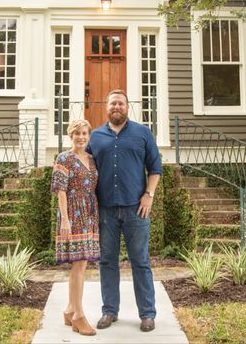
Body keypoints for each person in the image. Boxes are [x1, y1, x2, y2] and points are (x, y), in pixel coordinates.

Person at [87, 89, 162, 333]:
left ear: (127, 107)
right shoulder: (95, 137)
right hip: (105, 210)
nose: (116, 106)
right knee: (107, 261)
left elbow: (155, 168)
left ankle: (148, 314)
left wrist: (149, 195)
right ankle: (109, 310)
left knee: (140, 261)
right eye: (112, 103)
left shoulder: (142, 133)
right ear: (106, 107)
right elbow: (85, 170)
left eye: (120, 103)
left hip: (136, 209)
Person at [51, 119, 99, 336]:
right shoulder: (64, 158)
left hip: (89, 215)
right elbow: (60, 190)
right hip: (73, 214)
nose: (81, 137)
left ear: (89, 136)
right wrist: (65, 220)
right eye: (77, 133)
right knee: (78, 264)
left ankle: (70, 310)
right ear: (71, 135)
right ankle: (79, 316)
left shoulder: (91, 159)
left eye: (85, 133)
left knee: (83, 264)